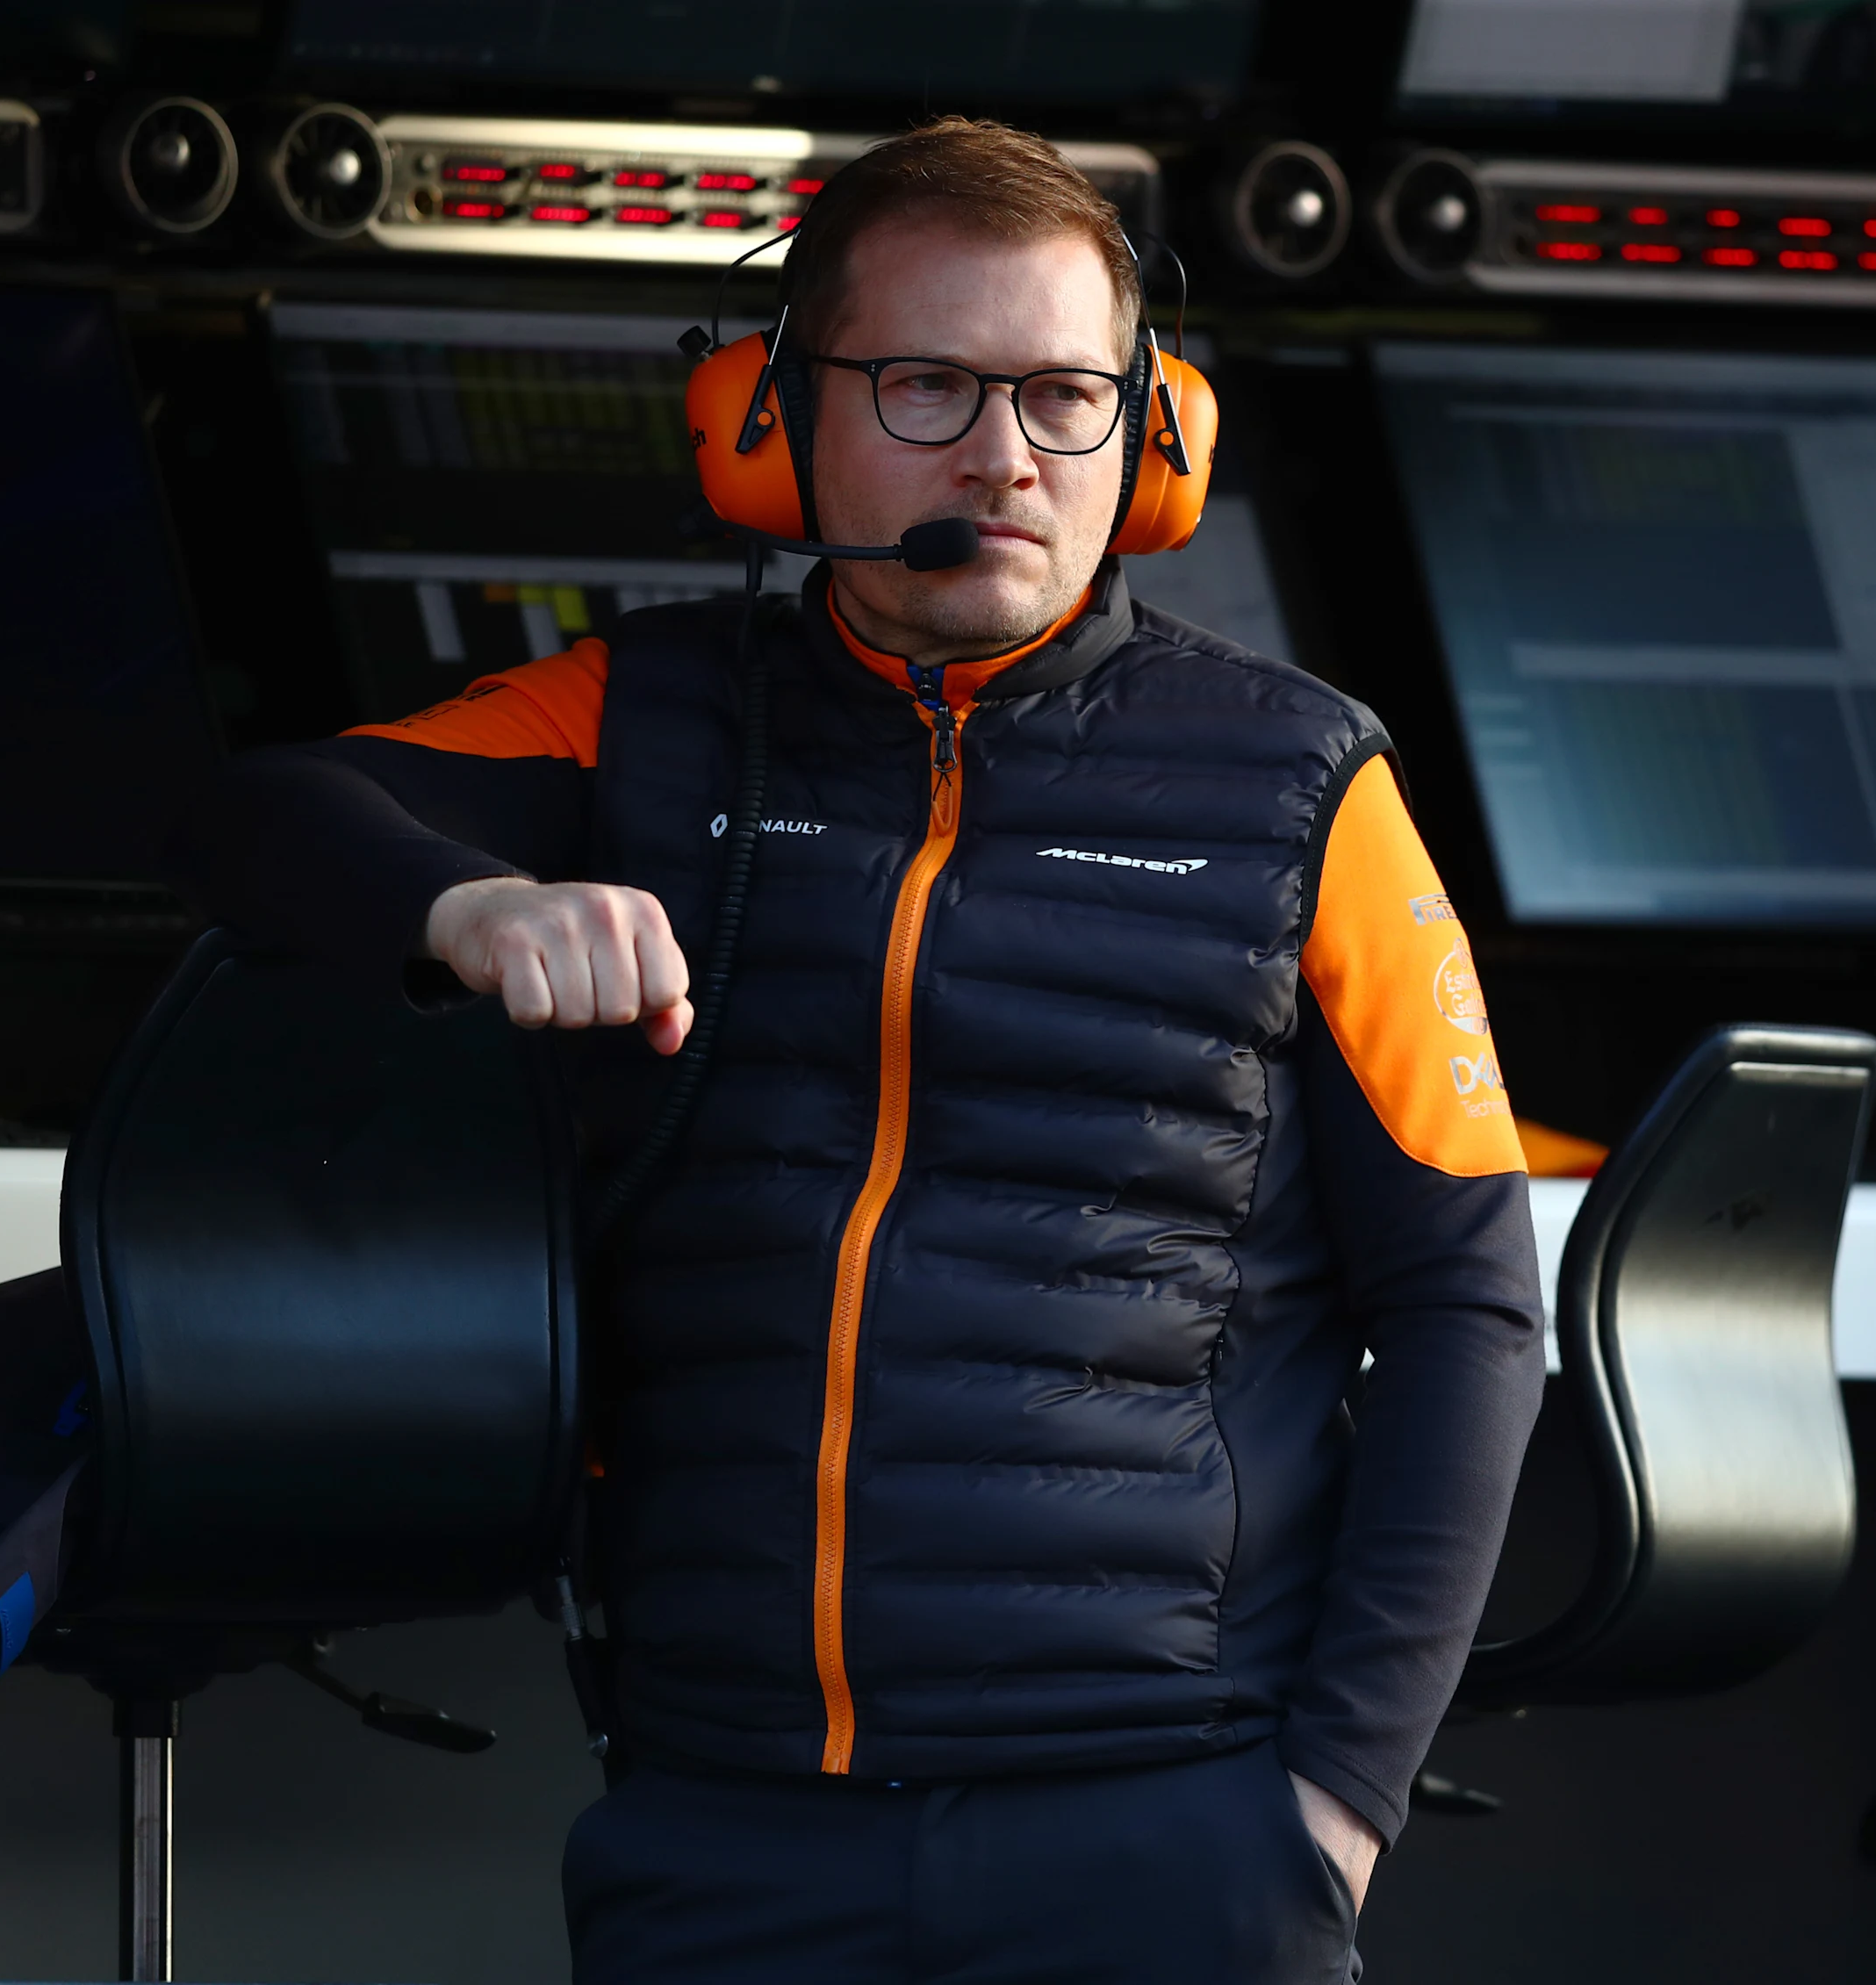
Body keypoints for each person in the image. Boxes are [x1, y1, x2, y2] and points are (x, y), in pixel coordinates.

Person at [162, 117, 1546, 1984]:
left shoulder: (1304, 782)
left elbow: (1468, 1298)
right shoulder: (638, 717)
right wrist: (468, 907)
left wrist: (1337, 1804)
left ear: (1154, 439)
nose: (1003, 454)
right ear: (767, 416)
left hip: (1172, 1823)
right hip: (725, 1819)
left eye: (1066, 395)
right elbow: (266, 819)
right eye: (927, 384)